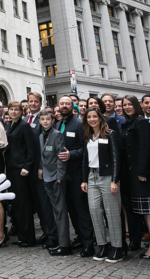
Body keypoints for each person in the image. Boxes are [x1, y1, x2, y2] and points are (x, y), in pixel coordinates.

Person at [119, 95, 150, 259]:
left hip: (142, 174)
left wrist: (142, 171)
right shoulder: (126, 123)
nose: (127, 107)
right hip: (130, 174)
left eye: (130, 104)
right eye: (125, 105)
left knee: (149, 210)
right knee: (139, 210)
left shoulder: (141, 122)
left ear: (136, 106)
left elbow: (145, 147)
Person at [80, 107, 123, 263]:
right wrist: (84, 179)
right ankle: (103, 245)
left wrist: (114, 180)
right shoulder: (88, 136)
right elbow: (85, 159)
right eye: (89, 117)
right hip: (92, 177)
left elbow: (116, 158)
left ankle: (117, 247)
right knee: (94, 211)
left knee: (111, 212)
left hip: (107, 177)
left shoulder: (110, 134)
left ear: (100, 118)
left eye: (94, 117)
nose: (92, 119)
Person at [54, 96, 95, 256]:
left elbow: (85, 149)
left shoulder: (79, 124)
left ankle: (88, 244)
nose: (64, 106)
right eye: (62, 103)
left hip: (77, 174)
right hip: (63, 175)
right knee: (71, 209)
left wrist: (71, 154)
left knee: (81, 210)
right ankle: (79, 237)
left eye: (67, 104)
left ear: (73, 106)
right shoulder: (58, 124)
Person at [4, 101, 39, 248]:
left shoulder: (24, 126)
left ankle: (29, 238)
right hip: (11, 168)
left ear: (21, 111)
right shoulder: (10, 125)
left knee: (24, 204)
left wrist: (27, 166)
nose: (13, 112)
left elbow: (32, 148)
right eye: (11, 109)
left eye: (16, 110)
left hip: (21, 169)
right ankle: (22, 235)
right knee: (16, 204)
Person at [37, 108, 69, 254]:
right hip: (46, 177)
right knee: (54, 210)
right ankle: (58, 241)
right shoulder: (41, 136)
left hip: (56, 178)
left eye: (48, 119)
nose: (45, 121)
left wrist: (60, 177)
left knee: (60, 211)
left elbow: (61, 157)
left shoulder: (57, 135)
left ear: (53, 120)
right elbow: (43, 156)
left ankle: (64, 245)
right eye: (42, 119)